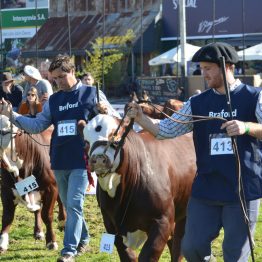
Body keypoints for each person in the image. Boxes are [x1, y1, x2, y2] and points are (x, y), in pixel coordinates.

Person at [126, 42, 262, 262]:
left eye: (208, 68)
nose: (203, 73)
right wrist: (141, 118)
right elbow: (167, 129)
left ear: (227, 66)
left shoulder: (254, 97)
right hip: (206, 190)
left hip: (242, 191)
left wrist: (247, 127)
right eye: (201, 67)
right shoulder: (196, 102)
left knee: (235, 255)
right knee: (191, 248)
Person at [0, 54, 119, 262]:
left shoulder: (93, 94)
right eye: (54, 78)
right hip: (59, 159)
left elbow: (114, 120)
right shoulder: (54, 100)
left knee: (73, 203)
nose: (58, 82)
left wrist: (105, 113)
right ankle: (85, 238)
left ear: (72, 71)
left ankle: (68, 251)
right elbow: (38, 125)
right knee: (69, 202)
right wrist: (14, 117)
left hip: (83, 161)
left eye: (62, 76)